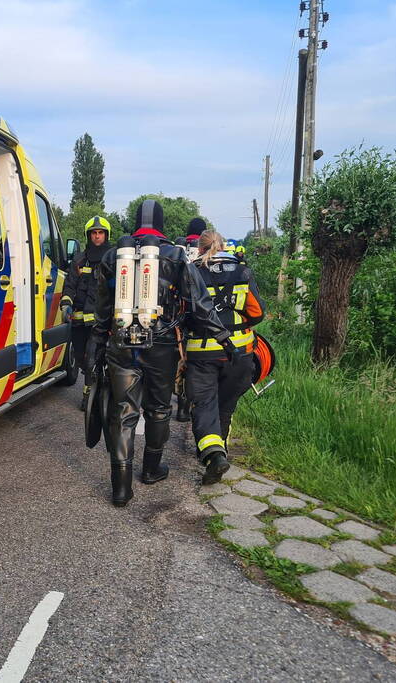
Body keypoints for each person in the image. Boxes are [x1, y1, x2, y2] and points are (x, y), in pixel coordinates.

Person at [87, 200, 234, 507]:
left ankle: (121, 488)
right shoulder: (176, 255)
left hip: (121, 343)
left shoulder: (115, 256)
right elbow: (199, 303)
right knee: (158, 408)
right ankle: (151, 470)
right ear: (163, 224)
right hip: (162, 345)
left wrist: (97, 349)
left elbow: (102, 311)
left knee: (123, 412)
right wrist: (223, 338)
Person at [185, 229, 265, 482]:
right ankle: (220, 452)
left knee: (204, 404)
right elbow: (257, 312)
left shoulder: (191, 272)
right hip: (240, 353)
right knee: (226, 405)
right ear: (222, 246)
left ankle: (214, 455)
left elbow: (183, 312)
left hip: (202, 352)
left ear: (199, 248)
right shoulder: (242, 271)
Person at [61, 215, 113, 410]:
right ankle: (94, 386)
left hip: (101, 322)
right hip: (79, 320)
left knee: (93, 358)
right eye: (94, 233)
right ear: (88, 235)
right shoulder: (79, 259)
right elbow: (70, 285)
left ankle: (89, 397)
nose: (97, 236)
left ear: (106, 235)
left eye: (100, 233)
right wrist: (66, 304)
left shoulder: (112, 259)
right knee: (82, 358)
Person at [174, 218, 207, 422]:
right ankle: (189, 405)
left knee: (181, 359)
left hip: (177, 316)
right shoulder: (204, 250)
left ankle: (180, 405)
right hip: (197, 316)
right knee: (194, 361)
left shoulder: (178, 248)